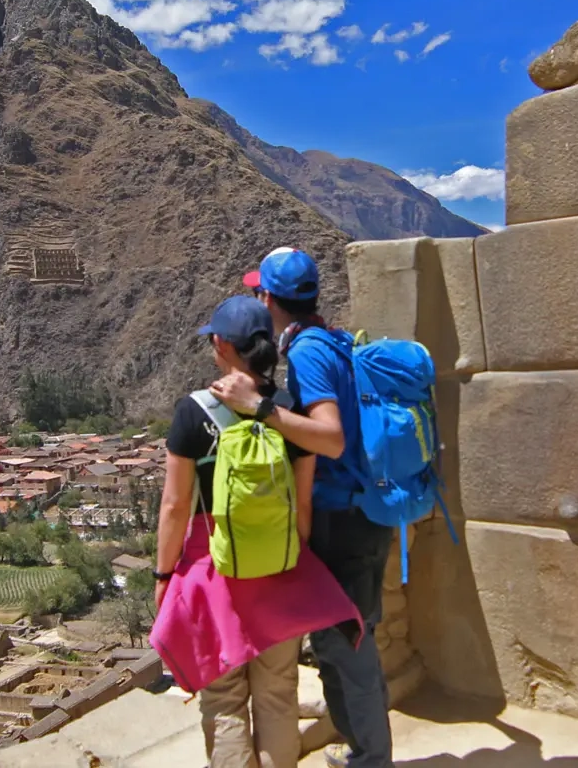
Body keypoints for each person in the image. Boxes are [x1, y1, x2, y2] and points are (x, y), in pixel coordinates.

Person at [150, 295, 362, 768]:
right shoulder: (288, 410)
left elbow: (176, 504)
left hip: (214, 572)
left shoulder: (194, 411)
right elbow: (302, 502)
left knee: (223, 696)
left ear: (222, 345)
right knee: (277, 694)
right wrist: (292, 560)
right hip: (281, 567)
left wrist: (164, 576)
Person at [211, 249, 393, 768]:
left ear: (268, 299)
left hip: (342, 520)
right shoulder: (333, 338)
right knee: (353, 641)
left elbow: (331, 439)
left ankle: (371, 761)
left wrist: (260, 408)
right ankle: (365, 750)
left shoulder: (309, 351)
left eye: (257, 294)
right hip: (366, 512)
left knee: (345, 649)